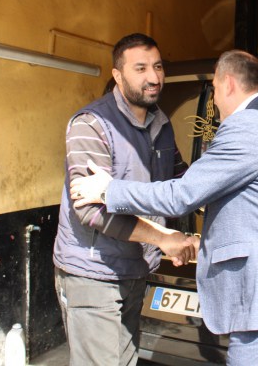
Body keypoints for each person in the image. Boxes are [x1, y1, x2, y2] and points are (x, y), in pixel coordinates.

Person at [70, 49, 258, 366]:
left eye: (215, 90)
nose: (214, 102)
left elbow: (184, 194)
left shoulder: (250, 126)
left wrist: (108, 189)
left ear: (228, 84)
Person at [52, 33, 197, 366]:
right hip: (93, 272)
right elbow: (92, 212)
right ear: (117, 75)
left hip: (136, 269)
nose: (154, 77)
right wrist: (164, 238)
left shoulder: (161, 123)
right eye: (140, 68)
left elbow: (182, 181)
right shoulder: (91, 124)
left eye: (158, 67)